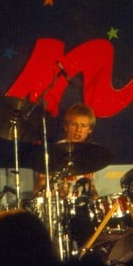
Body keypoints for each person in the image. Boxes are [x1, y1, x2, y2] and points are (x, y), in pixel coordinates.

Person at [32, 103, 101, 248]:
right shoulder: (54, 152)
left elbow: (90, 188)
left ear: (89, 130)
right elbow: (39, 189)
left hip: (81, 210)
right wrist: (56, 191)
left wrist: (100, 203)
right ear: (66, 127)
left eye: (83, 126)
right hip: (57, 209)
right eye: (74, 124)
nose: (78, 130)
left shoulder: (91, 154)